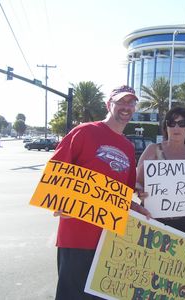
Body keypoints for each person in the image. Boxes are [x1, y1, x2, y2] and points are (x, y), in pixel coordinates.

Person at [51, 85, 150, 299]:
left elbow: (123, 194)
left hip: (110, 242)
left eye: (131, 103)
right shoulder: (85, 131)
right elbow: (55, 171)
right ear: (109, 104)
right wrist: (60, 201)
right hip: (77, 237)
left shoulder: (127, 146)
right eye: (121, 102)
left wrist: (137, 205)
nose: (126, 107)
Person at [136, 106, 185, 235]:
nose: (176, 128)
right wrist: (140, 190)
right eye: (171, 123)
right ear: (166, 127)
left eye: (182, 124)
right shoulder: (153, 150)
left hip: (184, 221)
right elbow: (137, 181)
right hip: (151, 216)